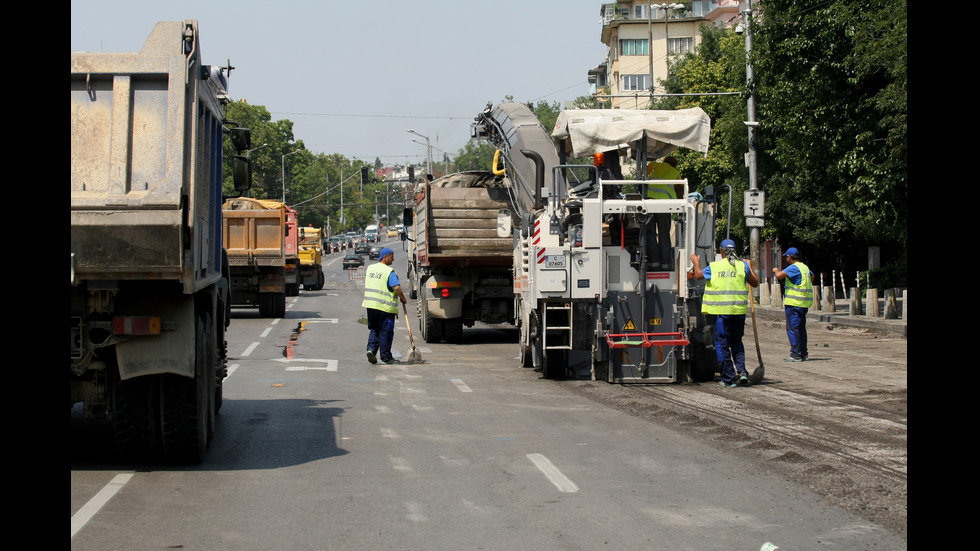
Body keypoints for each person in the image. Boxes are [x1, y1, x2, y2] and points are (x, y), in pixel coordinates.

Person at [690, 239, 759, 387]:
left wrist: (696, 262)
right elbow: (755, 282)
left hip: (722, 314)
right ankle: (742, 373)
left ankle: (728, 379)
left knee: (722, 345)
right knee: (736, 342)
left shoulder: (715, 267)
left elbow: (699, 275)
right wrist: (750, 267)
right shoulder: (743, 266)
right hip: (738, 313)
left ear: (722, 252)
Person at [362, 247, 408, 365]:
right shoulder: (389, 271)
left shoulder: (370, 269)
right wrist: (402, 297)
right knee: (386, 332)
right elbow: (396, 287)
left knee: (374, 330)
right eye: (392, 257)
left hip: (371, 305)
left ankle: (371, 350)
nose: (393, 259)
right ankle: (386, 357)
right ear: (385, 257)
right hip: (385, 308)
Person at [772, 247, 813, 362]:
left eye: (787, 257)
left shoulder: (793, 268)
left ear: (789, 257)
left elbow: (779, 275)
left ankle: (796, 354)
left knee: (793, 328)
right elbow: (812, 276)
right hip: (803, 303)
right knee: (801, 329)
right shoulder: (805, 267)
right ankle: (803, 353)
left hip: (794, 304)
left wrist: (775, 270)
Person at [646, 156, 682, 270]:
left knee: (650, 234)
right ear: (674, 165)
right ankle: (665, 265)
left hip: (649, 204)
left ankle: (654, 264)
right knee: (664, 236)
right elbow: (679, 191)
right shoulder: (676, 173)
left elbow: (640, 177)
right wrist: (680, 211)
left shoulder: (654, 165)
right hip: (664, 207)